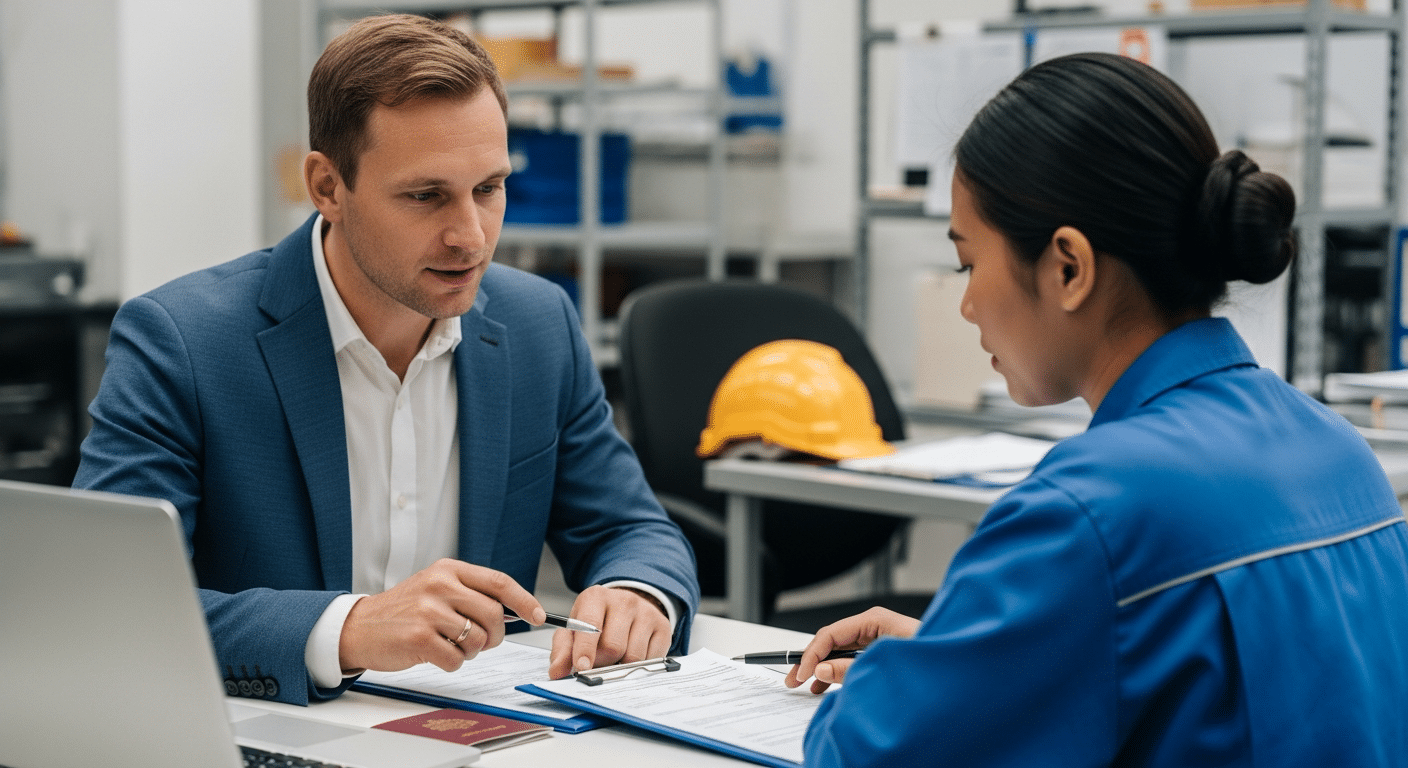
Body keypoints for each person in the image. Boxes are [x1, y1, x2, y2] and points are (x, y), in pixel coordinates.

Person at [788, 52, 1408, 766]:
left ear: (1068, 268)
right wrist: (958, 660)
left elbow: (863, 755)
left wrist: (897, 688)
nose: (965, 303)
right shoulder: (1341, 454)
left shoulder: (1086, 513)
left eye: (967, 262)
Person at [73, 13, 699, 707]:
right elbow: (108, 610)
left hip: (484, 739)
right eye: (426, 195)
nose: (471, 236)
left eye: (489, 188)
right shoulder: (182, 341)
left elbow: (630, 528)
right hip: (268, 733)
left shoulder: (537, 324)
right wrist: (348, 629)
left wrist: (637, 593)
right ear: (327, 187)